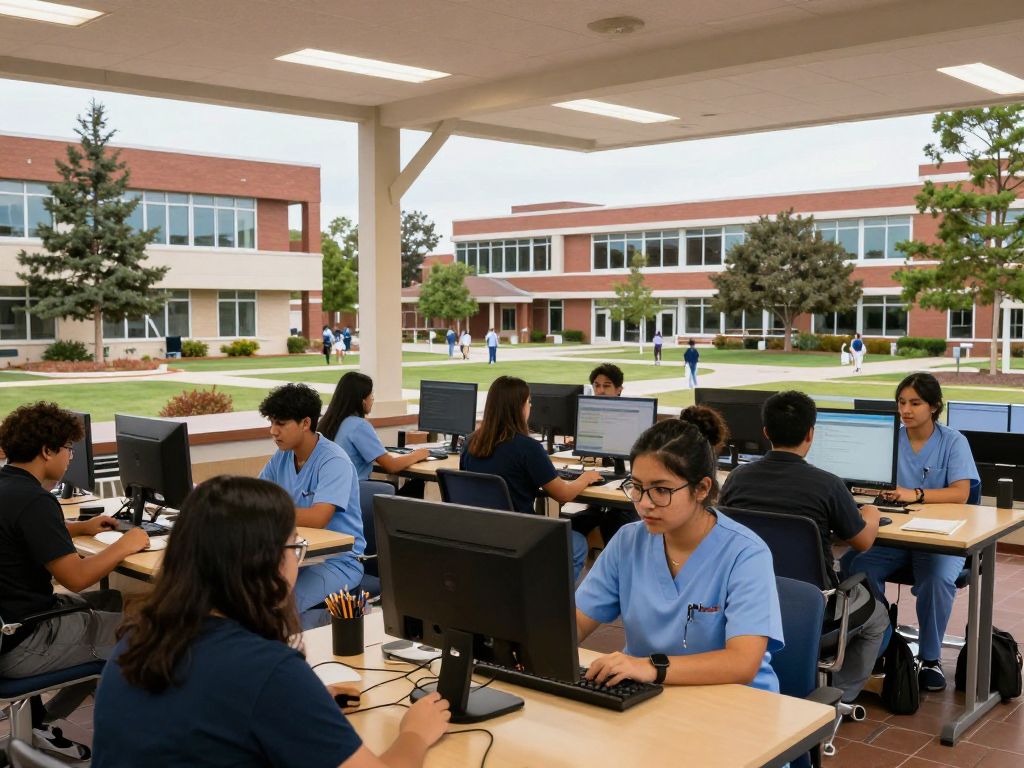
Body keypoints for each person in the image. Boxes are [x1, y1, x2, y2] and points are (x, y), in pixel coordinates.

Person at [92, 475, 451, 768]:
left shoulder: (135, 641)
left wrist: (302, 704)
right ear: (266, 563)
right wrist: (414, 733)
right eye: (295, 548)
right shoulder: (268, 672)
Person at [575, 411, 784, 692]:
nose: (644, 503)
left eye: (661, 490)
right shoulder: (628, 541)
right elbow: (577, 621)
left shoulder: (745, 554)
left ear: (701, 489)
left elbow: (742, 663)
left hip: (734, 700)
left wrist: (650, 667)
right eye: (637, 487)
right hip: (650, 693)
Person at [0, 401, 149, 760]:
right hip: (24, 642)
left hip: (8, 630)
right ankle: (136, 746)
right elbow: (77, 578)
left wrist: (80, 528)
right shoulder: (35, 501)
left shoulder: (9, 488)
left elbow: (21, 533)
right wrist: (127, 543)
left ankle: (40, 720)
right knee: (144, 634)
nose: (70, 457)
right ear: (46, 451)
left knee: (109, 601)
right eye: (68, 448)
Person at [720, 390, 890, 704]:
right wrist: (872, 513)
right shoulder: (827, 484)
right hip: (815, 608)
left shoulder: (737, 479)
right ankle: (837, 699)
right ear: (811, 433)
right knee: (878, 616)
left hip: (749, 601)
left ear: (766, 432)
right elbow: (863, 541)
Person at [843, 372, 979, 691]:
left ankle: (930, 659)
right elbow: (868, 481)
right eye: (901, 402)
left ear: (934, 406)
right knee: (857, 566)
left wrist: (915, 494)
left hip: (939, 539)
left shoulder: (953, 442)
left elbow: (961, 493)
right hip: (896, 535)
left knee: (936, 579)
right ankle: (882, 642)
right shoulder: (890, 438)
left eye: (915, 403)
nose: (906, 410)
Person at [460, 376, 604, 582]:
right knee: (576, 542)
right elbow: (563, 495)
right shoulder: (527, 448)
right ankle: (551, 599)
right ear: (519, 408)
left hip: (478, 533)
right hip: (519, 534)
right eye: (528, 402)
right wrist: (584, 478)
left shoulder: (470, 443)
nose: (531, 406)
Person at [257, 383, 366, 629]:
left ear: (305, 423)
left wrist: (270, 511)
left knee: (278, 607)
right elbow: (257, 497)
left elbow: (319, 518)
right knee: (245, 595)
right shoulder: (283, 456)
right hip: (296, 557)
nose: (273, 431)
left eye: (281, 423)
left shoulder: (333, 460)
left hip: (337, 563)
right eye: (271, 422)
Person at [319, 372, 429, 496]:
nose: (372, 398)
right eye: (371, 394)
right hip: (353, 493)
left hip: (332, 491)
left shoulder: (327, 423)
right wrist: (419, 454)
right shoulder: (358, 426)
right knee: (417, 483)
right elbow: (391, 466)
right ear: (363, 401)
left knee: (392, 486)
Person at [571, 364, 638, 546]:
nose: (600, 390)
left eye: (606, 386)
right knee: (574, 523)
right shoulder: (591, 413)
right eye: (597, 385)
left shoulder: (632, 416)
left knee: (617, 521)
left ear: (619, 389)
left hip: (626, 496)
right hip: (604, 489)